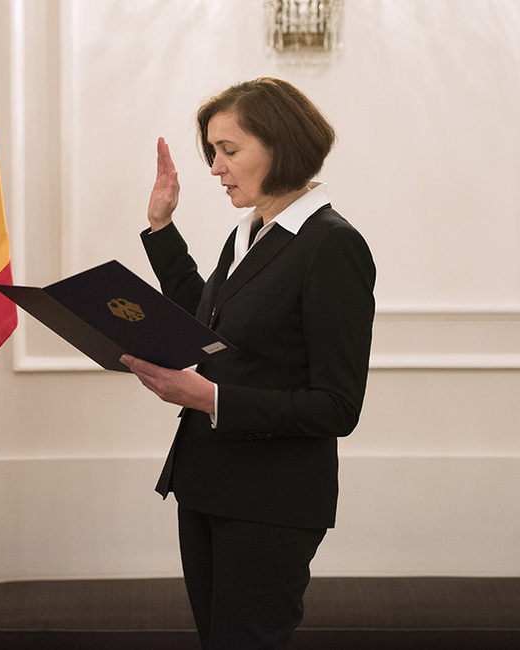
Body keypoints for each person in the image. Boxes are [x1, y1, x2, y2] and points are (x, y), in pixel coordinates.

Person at [120, 77, 375, 649]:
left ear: (280, 146)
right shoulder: (249, 235)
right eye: (212, 152)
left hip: (271, 505)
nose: (215, 167)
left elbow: (336, 406)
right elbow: (206, 334)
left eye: (229, 150)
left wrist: (210, 398)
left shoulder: (332, 245)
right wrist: (161, 227)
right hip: (207, 484)